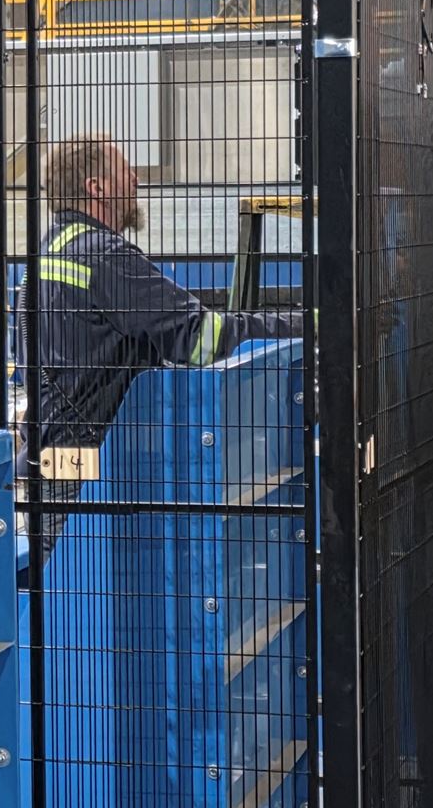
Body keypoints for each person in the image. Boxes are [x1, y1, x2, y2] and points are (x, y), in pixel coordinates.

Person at [30, 133, 299, 556]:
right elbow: (201, 338)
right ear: (96, 187)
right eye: (125, 172)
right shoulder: (103, 256)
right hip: (94, 464)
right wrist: (304, 325)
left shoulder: (50, 248)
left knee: (60, 578)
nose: (135, 180)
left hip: (54, 453)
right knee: (96, 577)